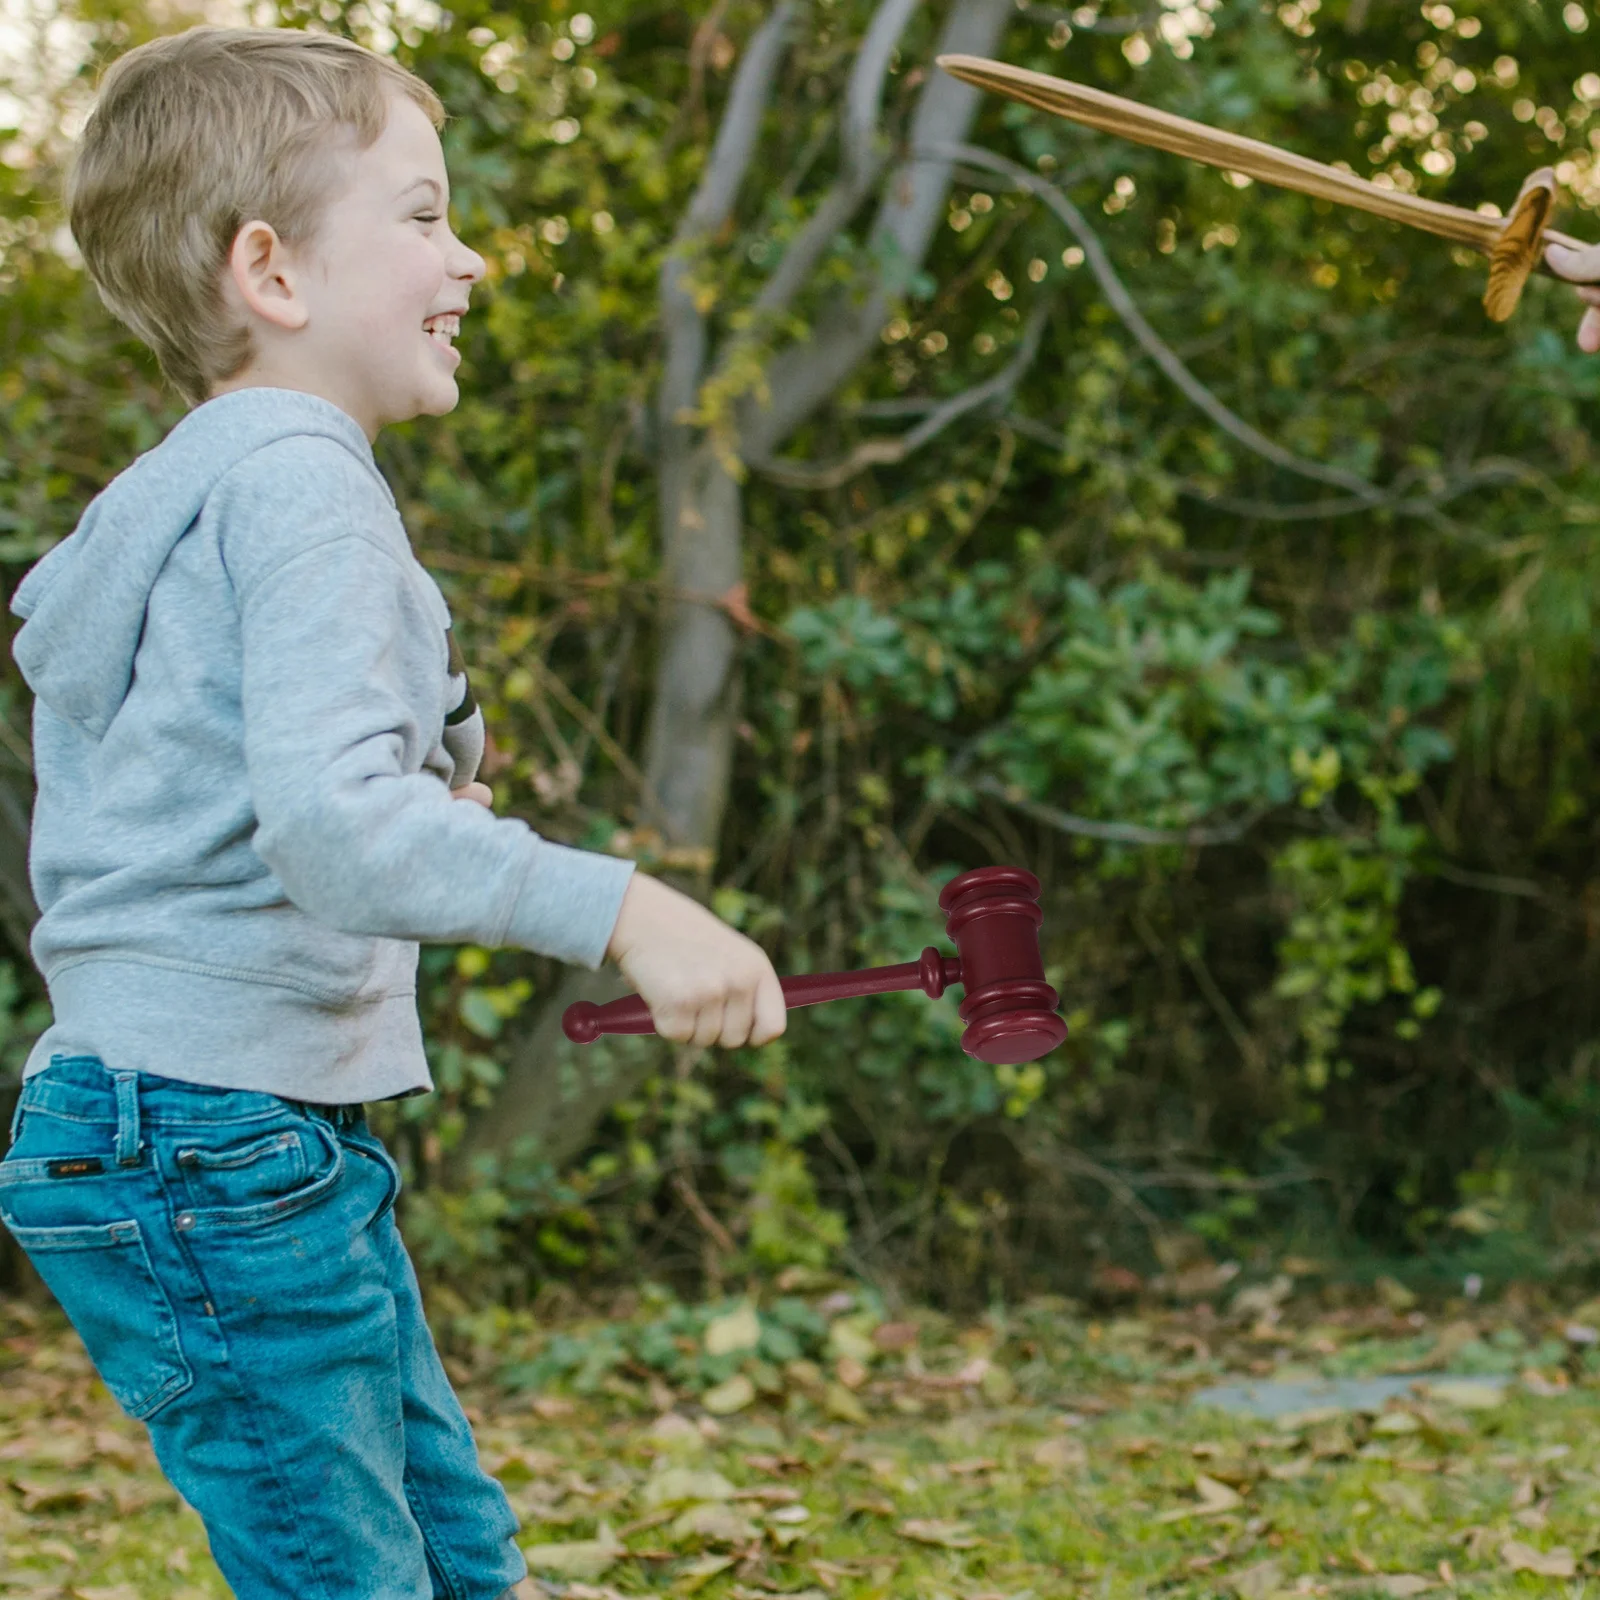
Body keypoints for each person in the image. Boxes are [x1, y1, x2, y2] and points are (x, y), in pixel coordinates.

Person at [0, 23, 786, 1600]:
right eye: (424, 216)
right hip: (206, 1131)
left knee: (447, 1555)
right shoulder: (302, 491)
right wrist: (624, 905)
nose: (474, 255)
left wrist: (447, 745)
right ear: (271, 272)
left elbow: (252, 797)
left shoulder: (185, 500)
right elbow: (339, 832)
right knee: (352, 1574)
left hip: (204, 1121)